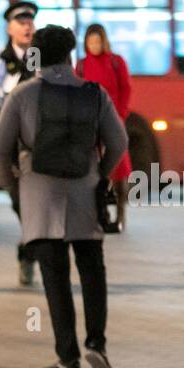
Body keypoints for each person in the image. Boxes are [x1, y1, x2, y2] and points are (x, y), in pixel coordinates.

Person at [0, 25, 127, 368]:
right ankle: (97, 343)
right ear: (70, 55)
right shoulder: (94, 94)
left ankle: (67, 357)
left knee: (55, 276)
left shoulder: (22, 95)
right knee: (93, 271)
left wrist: (14, 191)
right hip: (85, 192)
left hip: (40, 196)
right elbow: (119, 141)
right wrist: (100, 172)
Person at [0, 0, 40, 287]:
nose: (27, 26)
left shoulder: (42, 58)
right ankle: (29, 253)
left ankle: (30, 255)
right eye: (21, 22)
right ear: (9, 27)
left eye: (30, 21)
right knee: (22, 204)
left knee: (37, 205)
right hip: (11, 147)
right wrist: (1, 134)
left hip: (39, 147)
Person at [77, 23, 133, 230]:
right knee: (93, 170)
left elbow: (126, 88)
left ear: (104, 41)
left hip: (114, 121)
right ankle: (98, 213)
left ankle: (120, 215)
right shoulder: (82, 65)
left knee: (118, 169)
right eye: (90, 42)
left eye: (97, 41)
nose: (94, 45)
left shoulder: (116, 62)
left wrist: (121, 114)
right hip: (91, 123)